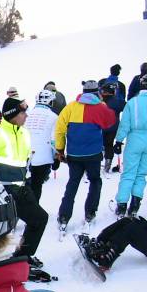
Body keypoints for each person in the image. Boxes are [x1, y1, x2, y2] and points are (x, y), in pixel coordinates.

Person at [0, 97, 48, 268]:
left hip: (22, 188)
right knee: (32, 221)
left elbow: (22, 161)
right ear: (12, 115)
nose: (26, 116)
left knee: (37, 220)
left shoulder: (24, 133)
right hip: (4, 191)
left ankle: (21, 257)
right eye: (23, 112)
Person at [55, 81, 116, 230]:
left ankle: (64, 215)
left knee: (73, 183)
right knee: (95, 181)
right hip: (93, 154)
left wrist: (60, 150)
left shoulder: (70, 107)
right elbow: (110, 122)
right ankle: (90, 212)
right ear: (97, 92)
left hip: (74, 154)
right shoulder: (101, 107)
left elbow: (60, 129)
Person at [113, 73, 147, 217]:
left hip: (135, 138)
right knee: (141, 175)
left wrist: (118, 141)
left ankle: (121, 206)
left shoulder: (133, 102)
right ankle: (135, 205)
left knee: (128, 174)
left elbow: (125, 124)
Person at [25, 89, 58, 201]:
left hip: (24, 154)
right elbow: (54, 140)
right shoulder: (53, 116)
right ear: (49, 102)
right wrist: (56, 156)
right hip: (43, 156)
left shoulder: (26, 114)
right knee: (37, 184)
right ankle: (35, 209)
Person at [99, 82, 126, 173]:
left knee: (98, 145)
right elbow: (127, 107)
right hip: (113, 127)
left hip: (100, 127)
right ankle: (107, 164)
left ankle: (96, 163)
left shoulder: (98, 101)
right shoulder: (118, 102)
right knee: (109, 145)